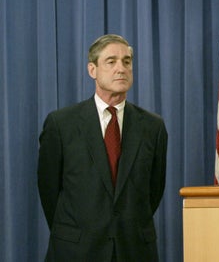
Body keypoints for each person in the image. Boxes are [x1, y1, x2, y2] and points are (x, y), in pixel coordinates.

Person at [37, 34, 168, 261]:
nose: (121, 68)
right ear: (92, 70)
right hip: (75, 250)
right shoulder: (61, 124)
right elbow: (49, 190)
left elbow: (154, 190)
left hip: (134, 250)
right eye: (111, 61)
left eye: (127, 62)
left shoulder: (153, 126)